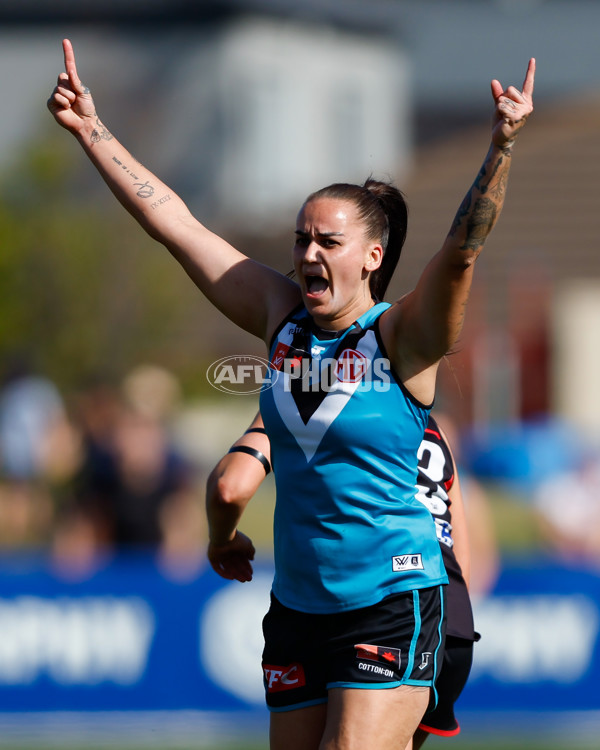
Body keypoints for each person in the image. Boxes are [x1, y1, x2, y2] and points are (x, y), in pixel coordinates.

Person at [48, 38, 534, 750]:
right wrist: (94, 132)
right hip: (300, 604)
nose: (308, 252)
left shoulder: (401, 340)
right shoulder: (283, 324)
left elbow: (461, 250)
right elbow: (176, 225)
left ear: (372, 257)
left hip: (391, 596)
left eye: (328, 242)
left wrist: (501, 146)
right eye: (302, 238)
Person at [207, 412, 478, 748]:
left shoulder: (297, 401)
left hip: (374, 596)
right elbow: (458, 540)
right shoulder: (428, 419)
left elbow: (229, 487)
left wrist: (221, 538)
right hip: (439, 605)